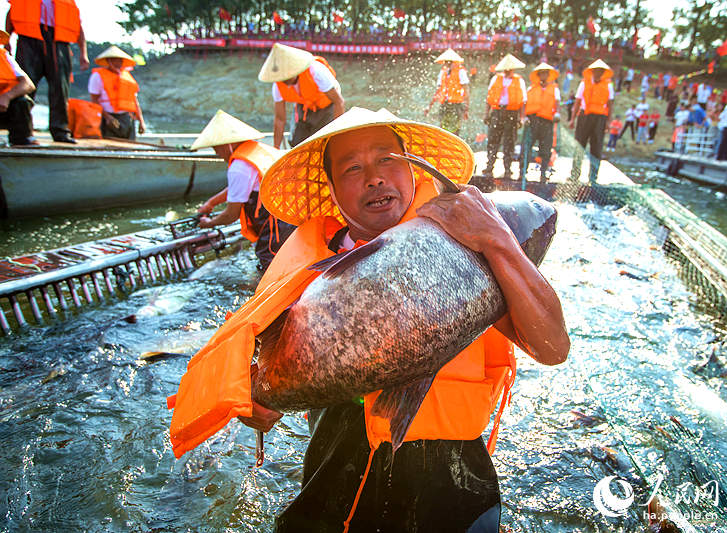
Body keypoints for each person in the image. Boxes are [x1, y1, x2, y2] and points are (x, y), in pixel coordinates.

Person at [171, 107, 569, 532]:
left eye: (387, 160)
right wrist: (254, 400)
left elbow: (552, 348)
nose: (375, 177)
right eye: (352, 168)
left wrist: (497, 239)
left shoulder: (471, 241)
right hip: (336, 462)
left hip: (452, 477)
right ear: (333, 191)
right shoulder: (303, 266)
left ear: (415, 169)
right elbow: (260, 357)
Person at [191, 110, 296, 272]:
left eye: (217, 149)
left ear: (227, 144)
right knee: (290, 263)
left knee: (269, 267)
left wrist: (209, 223)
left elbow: (230, 215)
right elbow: (241, 187)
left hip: (276, 226)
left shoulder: (239, 167)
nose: (218, 154)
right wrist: (212, 202)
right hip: (292, 214)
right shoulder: (257, 151)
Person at [5, 0, 89, 143]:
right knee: (24, 87)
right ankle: (21, 133)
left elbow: (78, 27)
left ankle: (60, 131)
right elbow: (11, 15)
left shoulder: (68, 3)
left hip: (59, 43)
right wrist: (8, 41)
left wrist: (83, 53)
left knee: (60, 89)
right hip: (28, 40)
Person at [259, 43, 345, 148]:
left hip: (327, 106)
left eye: (287, 77)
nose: (284, 81)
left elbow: (339, 102)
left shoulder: (316, 71)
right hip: (304, 107)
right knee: (297, 143)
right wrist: (275, 148)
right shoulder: (277, 86)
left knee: (324, 144)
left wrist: (337, 135)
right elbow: (280, 119)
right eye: (281, 78)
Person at [569, 59, 614, 183]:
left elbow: (610, 104)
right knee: (579, 145)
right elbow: (577, 102)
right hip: (584, 116)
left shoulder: (608, 86)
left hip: (600, 118)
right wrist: (572, 119)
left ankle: (593, 178)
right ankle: (575, 175)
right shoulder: (584, 83)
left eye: (600, 71)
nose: (598, 73)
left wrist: (609, 122)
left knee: (596, 147)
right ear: (592, 72)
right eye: (596, 71)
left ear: (603, 73)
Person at [482, 53, 526, 178]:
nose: (508, 71)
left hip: (512, 113)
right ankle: (489, 166)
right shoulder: (496, 79)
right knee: (493, 140)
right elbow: (489, 98)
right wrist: (487, 114)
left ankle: (508, 169)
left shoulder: (519, 81)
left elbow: (523, 101)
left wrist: (521, 118)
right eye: (506, 69)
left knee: (509, 142)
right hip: (497, 112)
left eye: (510, 69)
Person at [88, 46, 145, 139]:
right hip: (108, 118)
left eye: (120, 61)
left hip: (127, 118)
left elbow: (134, 101)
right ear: (108, 61)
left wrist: (141, 121)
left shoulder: (127, 77)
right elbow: (94, 100)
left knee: (130, 147)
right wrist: (107, 117)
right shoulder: (97, 76)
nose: (118, 63)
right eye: (114, 60)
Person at [520, 62, 559, 183]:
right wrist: (523, 117)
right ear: (538, 75)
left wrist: (557, 113)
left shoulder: (554, 89)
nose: (543, 76)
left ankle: (543, 174)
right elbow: (524, 104)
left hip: (547, 121)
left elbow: (557, 104)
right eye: (541, 74)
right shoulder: (531, 89)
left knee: (546, 148)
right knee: (526, 146)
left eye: (545, 74)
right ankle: (522, 173)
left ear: (548, 75)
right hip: (532, 121)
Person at [0, 29, 37, 146]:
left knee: (23, 101)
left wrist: (7, 96)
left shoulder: (5, 56)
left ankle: (22, 141)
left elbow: (28, 84)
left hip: (3, 109)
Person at [424, 48, 470, 135]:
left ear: (454, 62)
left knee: (455, 130)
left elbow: (466, 90)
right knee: (443, 129)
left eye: (449, 62)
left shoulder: (461, 71)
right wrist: (429, 106)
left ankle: (454, 147)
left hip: (456, 104)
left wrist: (466, 108)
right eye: (446, 62)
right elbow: (438, 91)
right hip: (444, 104)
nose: (447, 64)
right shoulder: (443, 72)